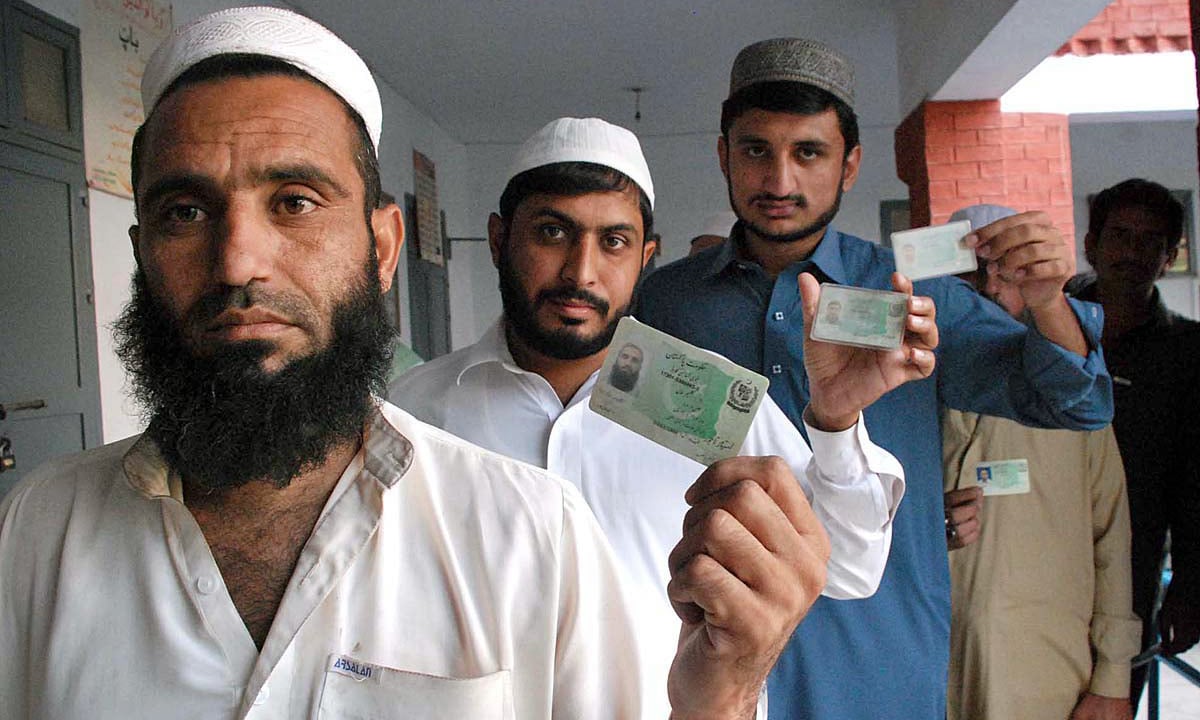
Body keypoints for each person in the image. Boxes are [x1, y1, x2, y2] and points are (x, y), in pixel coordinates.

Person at [0, 9, 742, 719]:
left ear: (383, 248)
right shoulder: (35, 534)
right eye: (186, 213)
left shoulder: (536, 532)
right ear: (141, 256)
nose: (237, 263)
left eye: (294, 202)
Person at [635, 37, 1113, 720]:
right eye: (755, 151)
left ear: (850, 164)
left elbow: (1077, 404)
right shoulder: (668, 303)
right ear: (723, 155)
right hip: (706, 639)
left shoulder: (913, 298)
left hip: (879, 649)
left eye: (808, 152)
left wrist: (1047, 302)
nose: (779, 181)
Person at [390, 115, 928, 717]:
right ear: (498, 239)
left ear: (647, 257)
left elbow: (849, 567)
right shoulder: (415, 411)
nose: (581, 272)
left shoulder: (697, 395)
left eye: (613, 242)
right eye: (551, 232)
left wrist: (834, 419)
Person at [942, 204, 1140, 720]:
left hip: (1046, 670)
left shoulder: (1072, 396)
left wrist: (1113, 678)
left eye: (1006, 272)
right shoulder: (905, 384)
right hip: (930, 662)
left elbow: (1111, 536)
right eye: (971, 272)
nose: (989, 288)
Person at [1068, 178, 1200, 704]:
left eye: (1150, 241)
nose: (1132, 252)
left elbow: (1195, 484)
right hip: (1031, 552)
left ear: (1169, 256)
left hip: (1132, 569)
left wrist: (1189, 590)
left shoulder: (1189, 352)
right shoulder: (1039, 327)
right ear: (1091, 244)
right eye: (1120, 235)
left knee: (1113, 701)